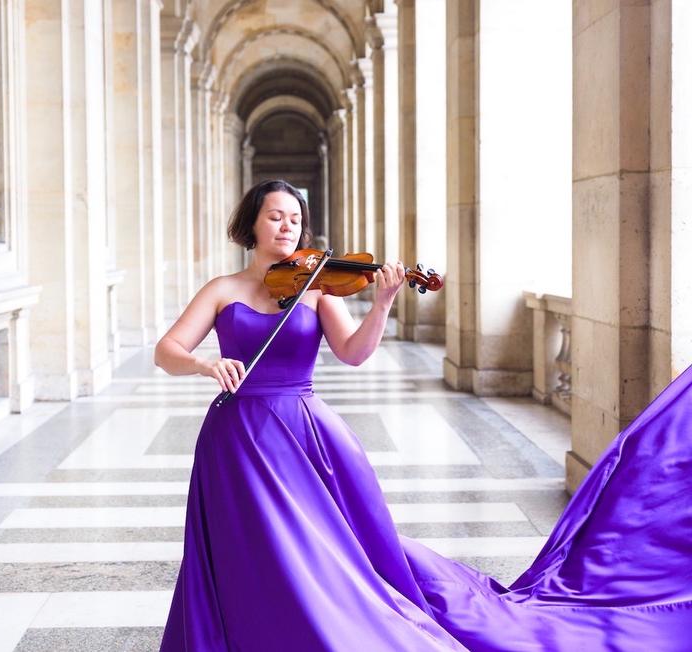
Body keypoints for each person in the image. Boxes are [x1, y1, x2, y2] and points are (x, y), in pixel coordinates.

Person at [154, 179, 692, 651]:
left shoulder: (317, 288)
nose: (287, 226)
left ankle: (313, 628)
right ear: (251, 223)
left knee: (316, 546)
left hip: (301, 429)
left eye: (295, 218)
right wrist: (205, 364)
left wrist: (384, 300)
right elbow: (167, 350)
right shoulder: (222, 290)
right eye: (275, 216)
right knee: (242, 542)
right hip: (235, 436)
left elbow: (354, 353)